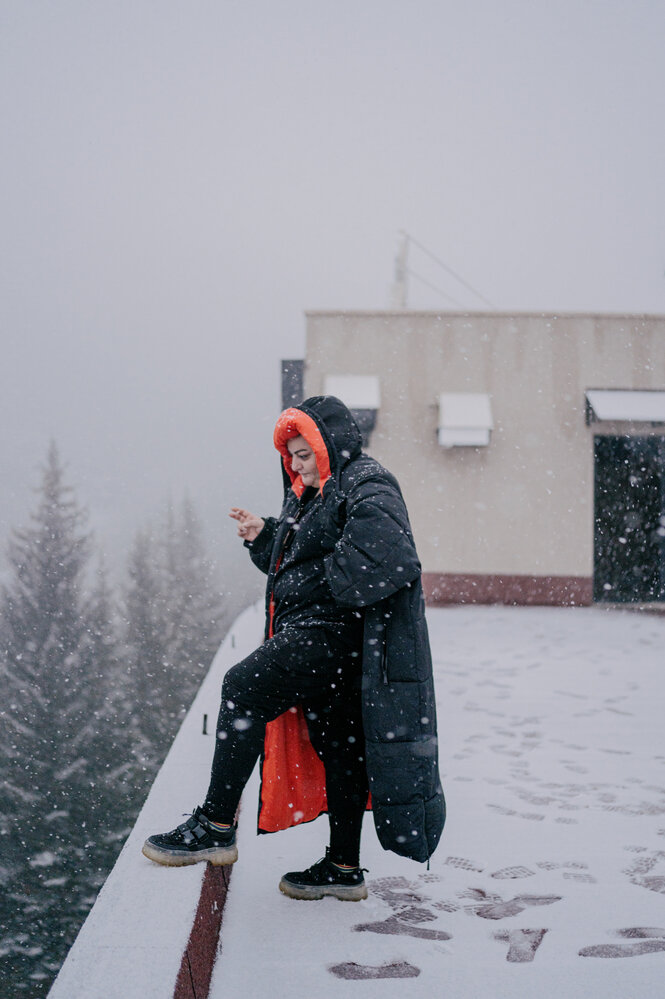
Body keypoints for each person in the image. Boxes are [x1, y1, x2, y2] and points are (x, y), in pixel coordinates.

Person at [142, 395, 445, 900]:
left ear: (330, 444)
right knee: (341, 745)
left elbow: (389, 560)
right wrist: (266, 536)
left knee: (241, 688)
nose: (296, 464)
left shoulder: (369, 482)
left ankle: (215, 827)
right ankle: (344, 868)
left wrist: (321, 583)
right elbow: (303, 559)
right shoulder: (319, 492)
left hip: (331, 634)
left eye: (305, 453)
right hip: (334, 641)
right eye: (292, 456)